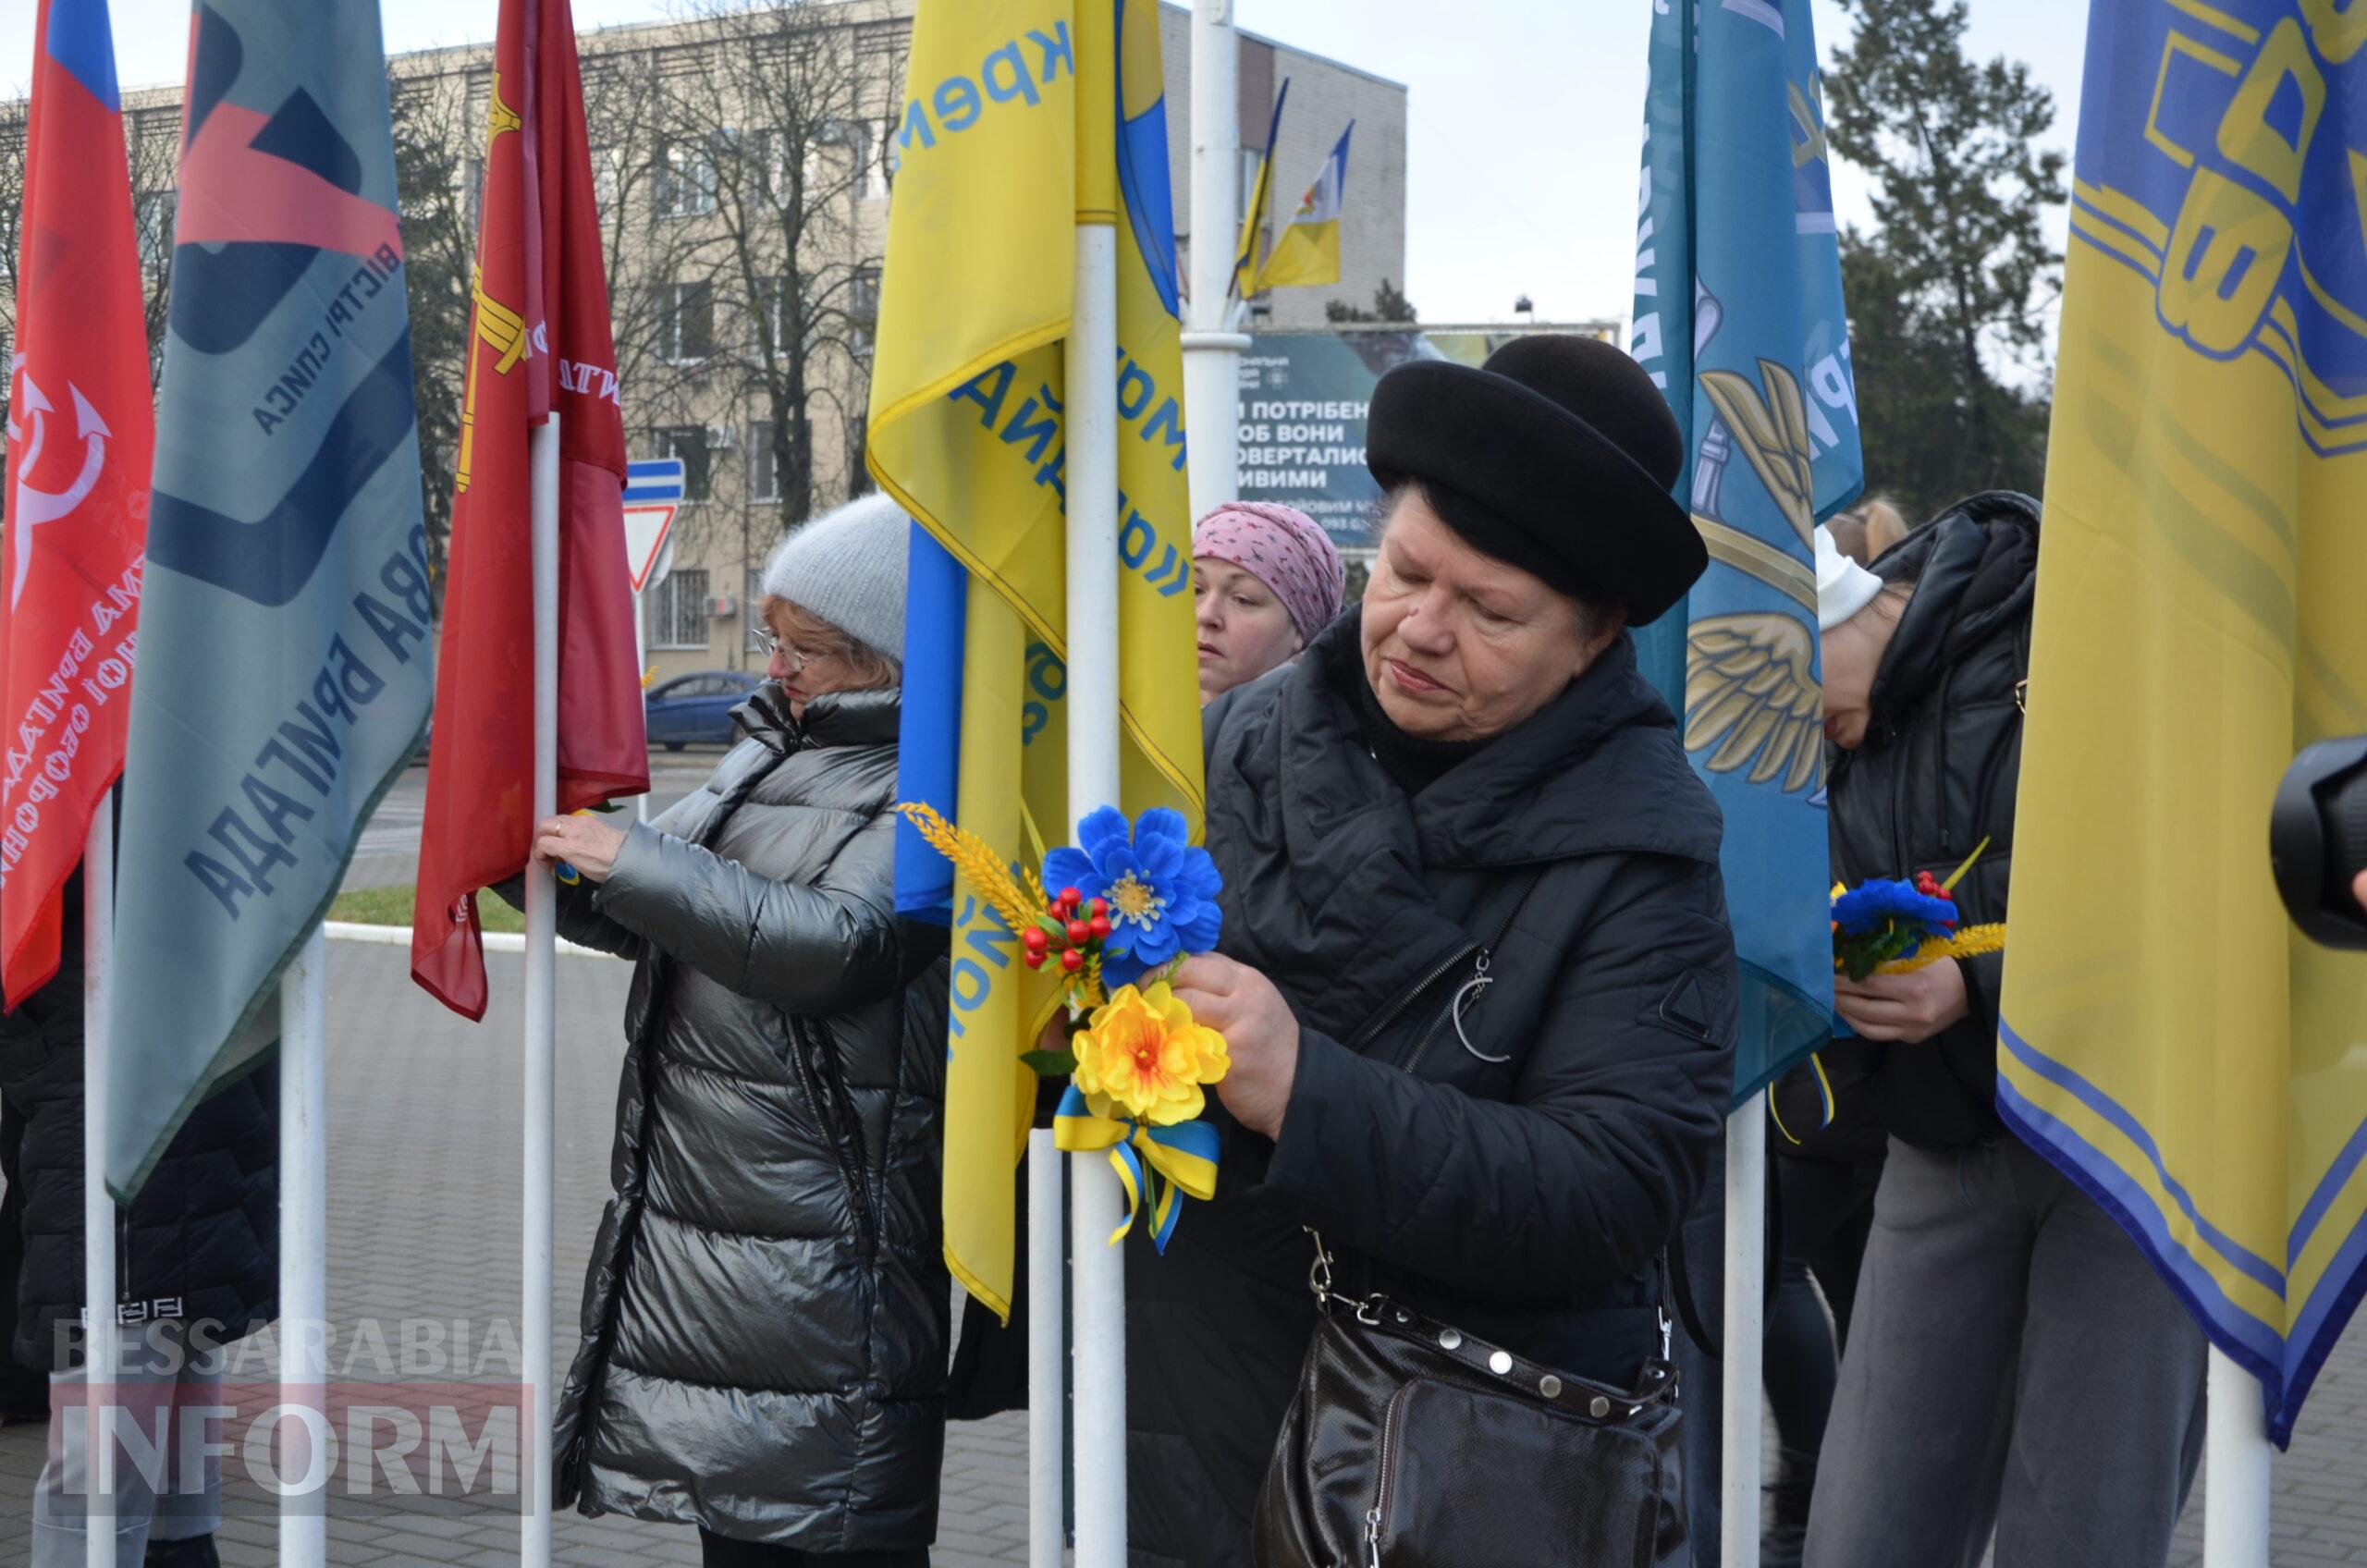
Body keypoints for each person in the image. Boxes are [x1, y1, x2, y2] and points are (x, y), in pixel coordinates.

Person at [1128, 336, 1740, 1567]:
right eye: (1405, 572)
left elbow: (1610, 1192)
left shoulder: (1645, 859)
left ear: (1592, 636)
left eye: (1489, 611)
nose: (1418, 630)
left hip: (1453, 1465)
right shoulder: (1220, 744)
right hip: (1186, 1420)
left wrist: (1311, 1093)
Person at [525, 494, 949, 1568]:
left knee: (823, 1521)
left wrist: (636, 862)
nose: (776, 665)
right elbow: (678, 919)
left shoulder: (930, 783)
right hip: (718, 1219)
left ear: (885, 658)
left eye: (803, 646)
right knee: (744, 1527)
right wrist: (531, 863)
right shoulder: (769, 750)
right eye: (773, 636)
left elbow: (840, 943)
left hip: (825, 1234)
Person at [1804, 494, 2206, 1568]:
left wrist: (1977, 980)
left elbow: (2181, 860)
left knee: (2084, 1524)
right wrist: (1844, 965)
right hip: (1936, 1139)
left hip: (2117, 1142)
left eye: (1786, 707)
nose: (1794, 745)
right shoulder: (1835, 731)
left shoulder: (2065, 621)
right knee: (1864, 1532)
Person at [0, 868, 278, 1568]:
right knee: (112, 1428)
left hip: (188, 1110)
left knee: (176, 1360)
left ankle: (179, 1547)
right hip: (114, 1109)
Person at [1192, 501, 1347, 704]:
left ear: (1301, 629)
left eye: (1242, 600)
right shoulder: (1142, 715)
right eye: (1196, 590)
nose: (1205, 615)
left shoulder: (1321, 732)